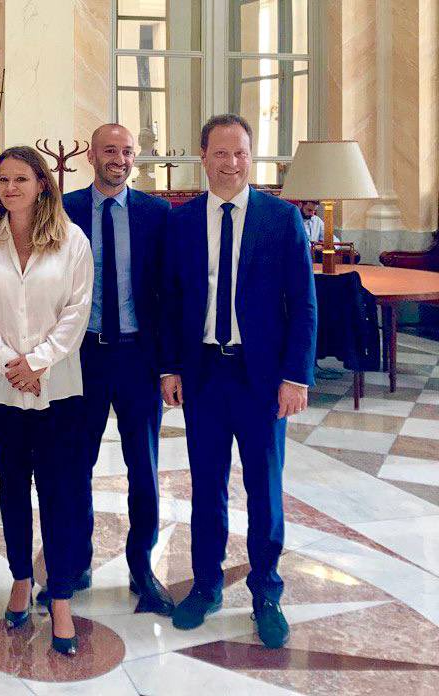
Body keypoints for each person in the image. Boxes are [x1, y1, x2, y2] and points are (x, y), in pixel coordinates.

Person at [160, 114, 317, 649]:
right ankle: (205, 587)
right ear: (202, 156)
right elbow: (170, 301)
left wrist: (296, 376)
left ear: (251, 158)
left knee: (264, 492)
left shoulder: (282, 219)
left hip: (262, 379)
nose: (231, 163)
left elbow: (303, 304)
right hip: (204, 374)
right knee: (206, 489)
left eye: (240, 154)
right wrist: (170, 367)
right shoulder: (180, 223)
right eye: (221, 153)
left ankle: (266, 593)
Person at [0, 145, 93, 656]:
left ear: (42, 183)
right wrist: (9, 365)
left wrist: (37, 362)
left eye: (21, 178)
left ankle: (59, 596)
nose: (10, 188)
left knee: (58, 490)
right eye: (3, 180)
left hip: (57, 386)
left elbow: (77, 311)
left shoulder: (71, 242)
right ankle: (20, 579)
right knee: (13, 483)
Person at [55, 123, 174, 616]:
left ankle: (141, 567)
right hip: (81, 354)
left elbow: (171, 295)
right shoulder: (63, 210)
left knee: (142, 468)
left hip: (137, 357)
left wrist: (171, 366)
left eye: (127, 151)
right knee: (72, 465)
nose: (120, 159)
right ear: (90, 155)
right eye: (110, 150)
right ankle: (75, 562)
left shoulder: (157, 214)